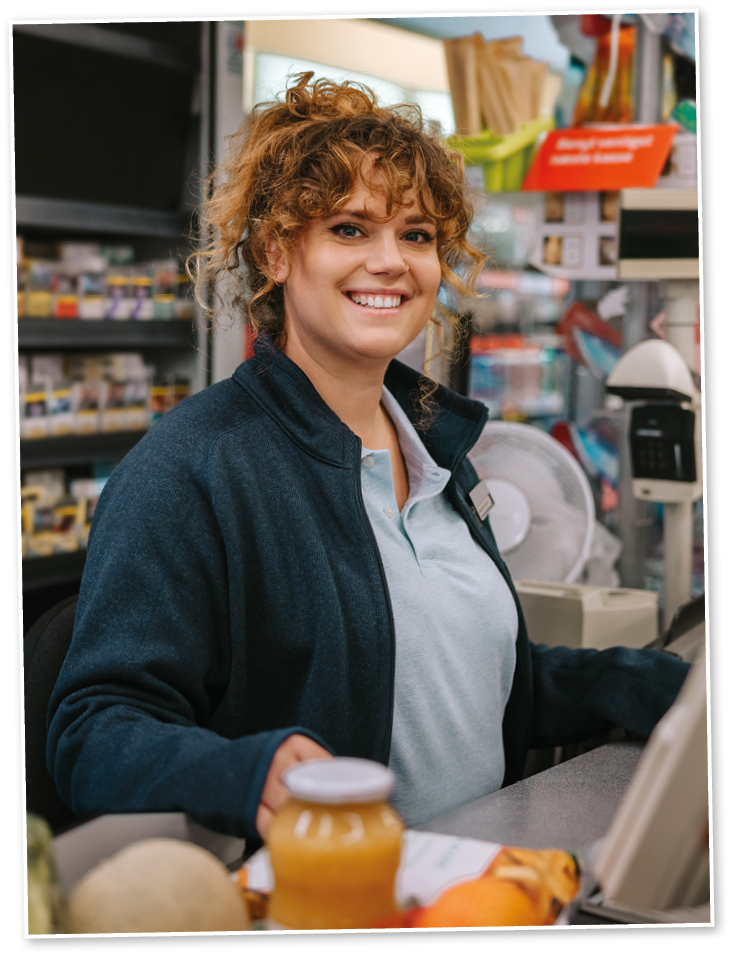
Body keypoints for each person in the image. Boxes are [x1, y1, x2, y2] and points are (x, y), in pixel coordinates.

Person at [47, 74, 689, 847]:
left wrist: (660, 687)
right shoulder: (193, 467)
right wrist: (243, 772)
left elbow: (462, 678)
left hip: (468, 877)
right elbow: (92, 728)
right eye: (350, 229)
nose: (391, 261)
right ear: (276, 252)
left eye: (416, 234)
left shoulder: (436, 448)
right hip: (327, 899)